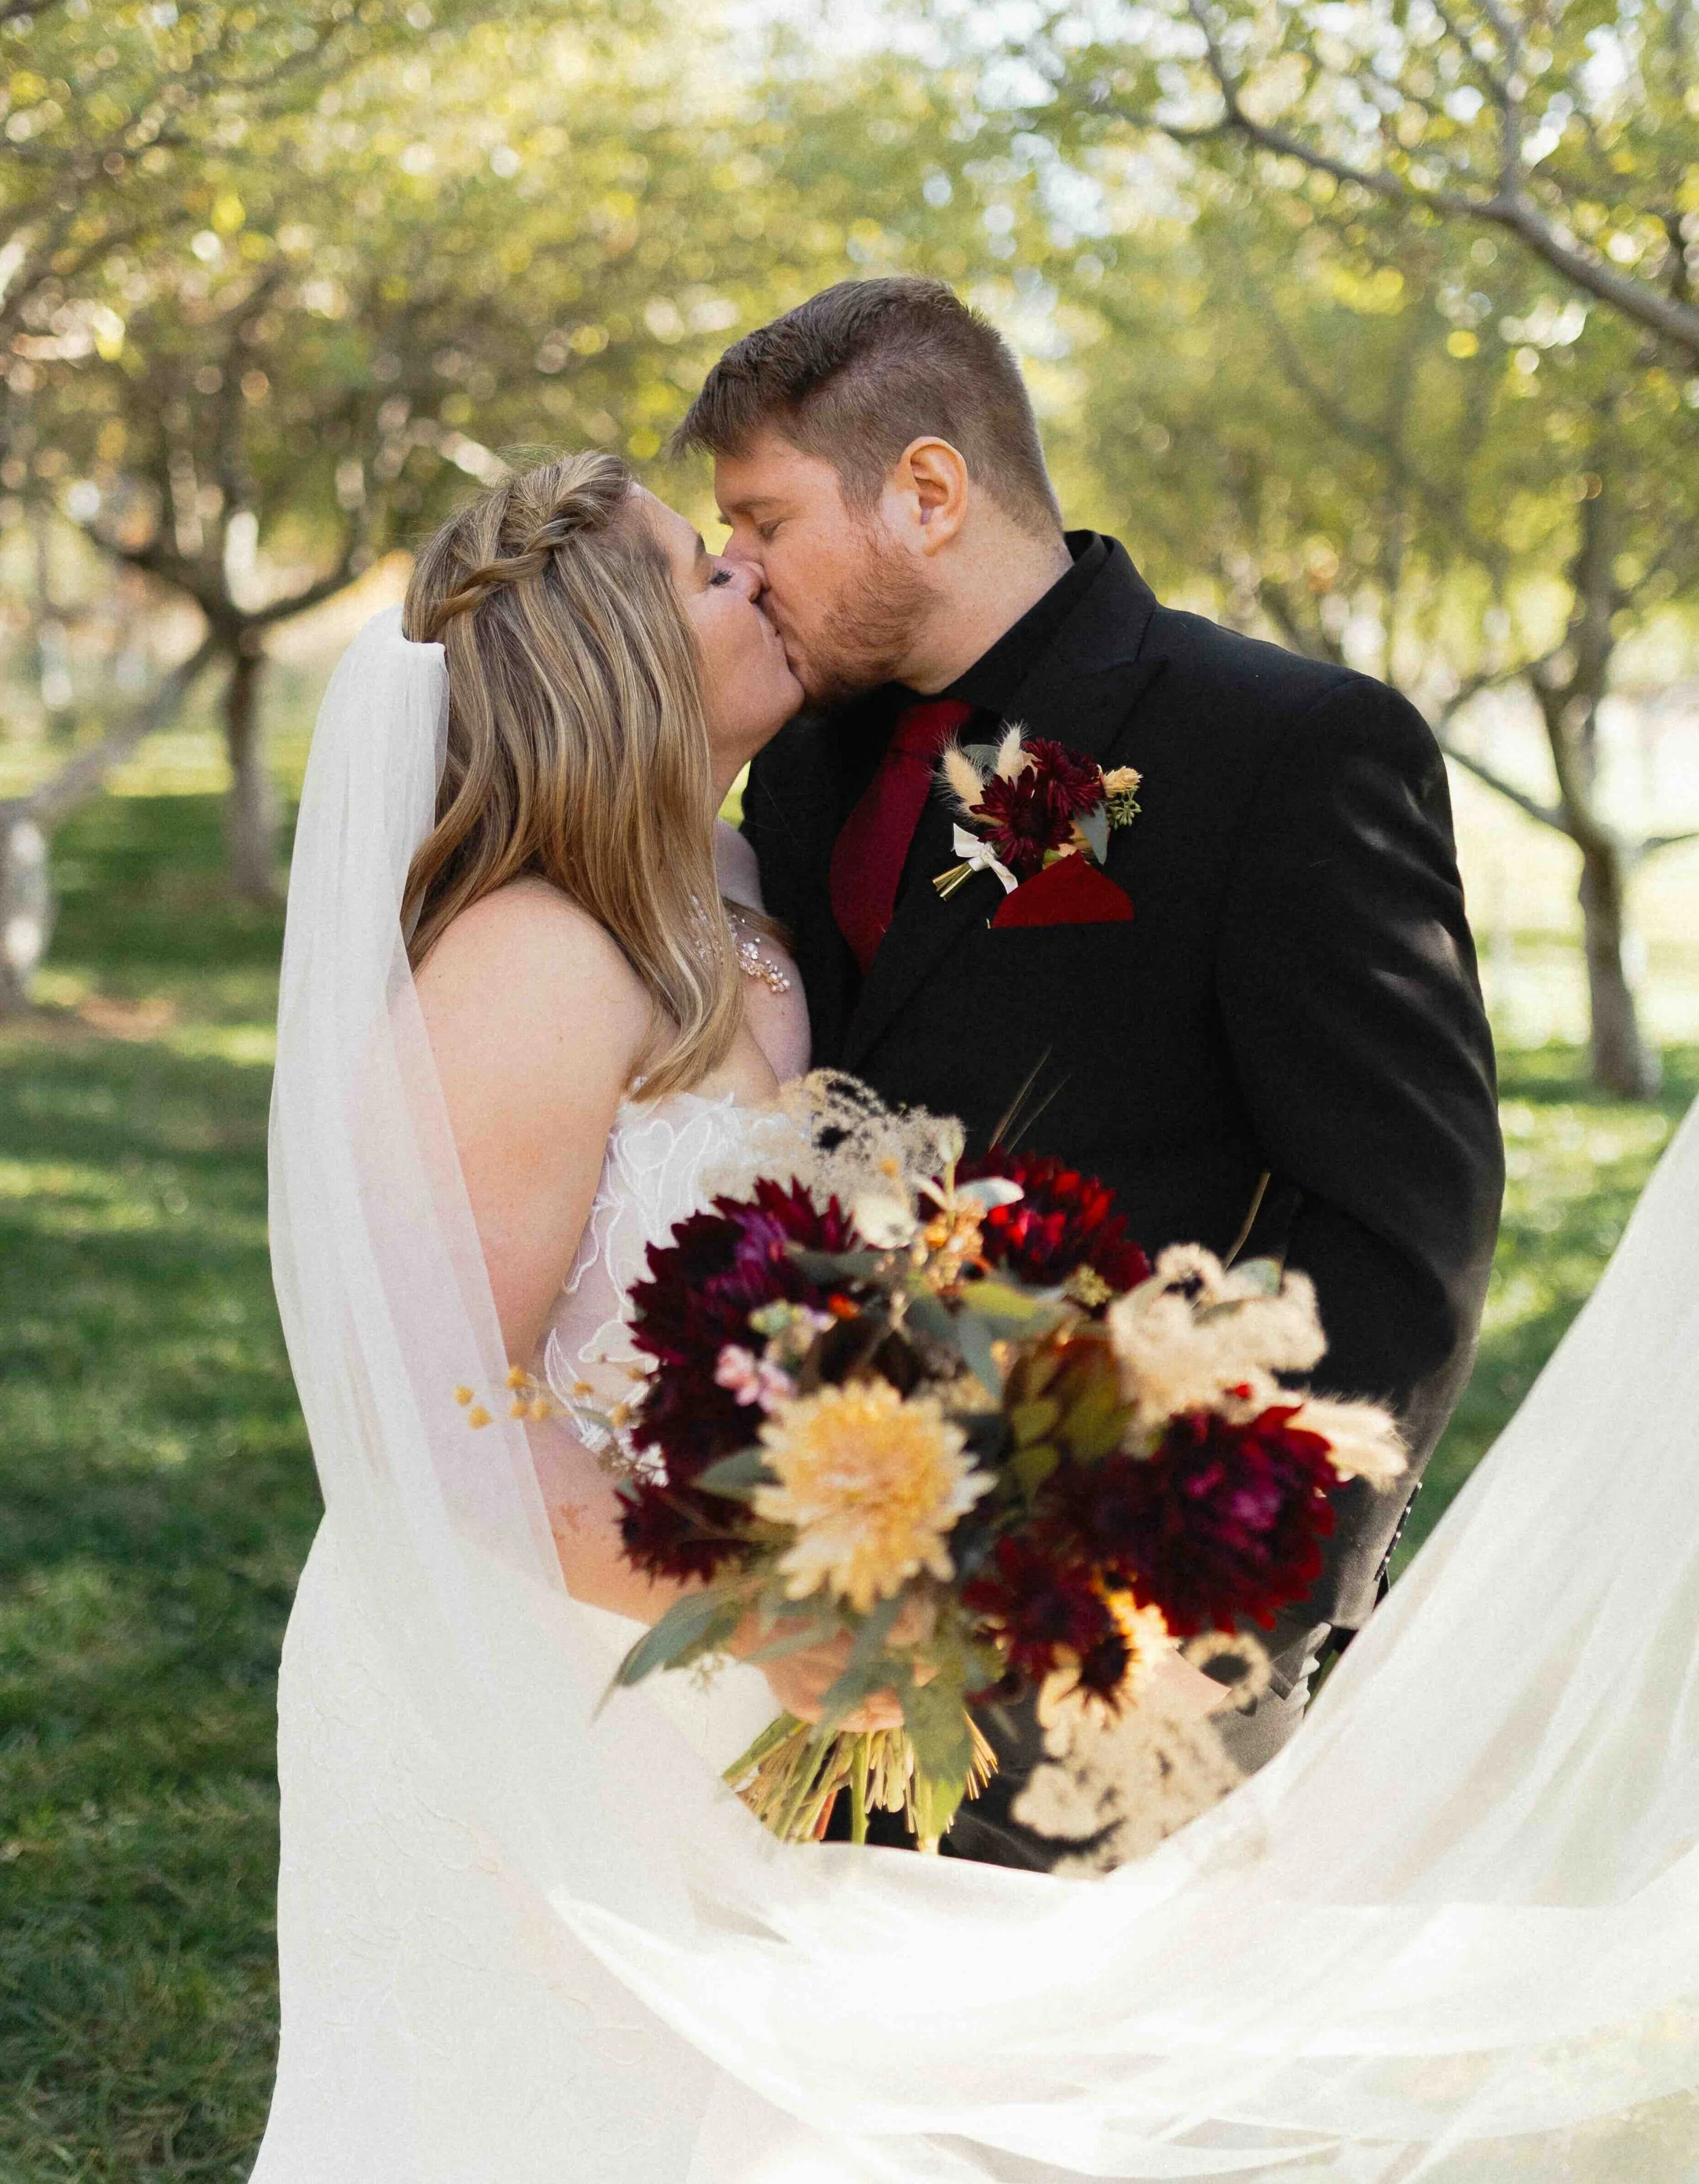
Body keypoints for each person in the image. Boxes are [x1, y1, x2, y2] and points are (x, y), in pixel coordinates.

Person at [255, 438, 1699, 2184]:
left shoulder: (729, 882)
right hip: (535, 1661)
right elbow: (428, 1417)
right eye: (704, 568)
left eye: (746, 539)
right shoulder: (537, 956)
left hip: (730, 1654)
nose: (749, 576)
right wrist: (756, 1605)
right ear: (619, 660)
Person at [673, 276, 1505, 1856]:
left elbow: (1410, 1215)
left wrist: (1233, 1598)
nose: (736, 567)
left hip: (1129, 1632)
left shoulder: (1280, 744)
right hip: (832, 1602)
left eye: (764, 521)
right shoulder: (799, 761)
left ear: (924, 489)